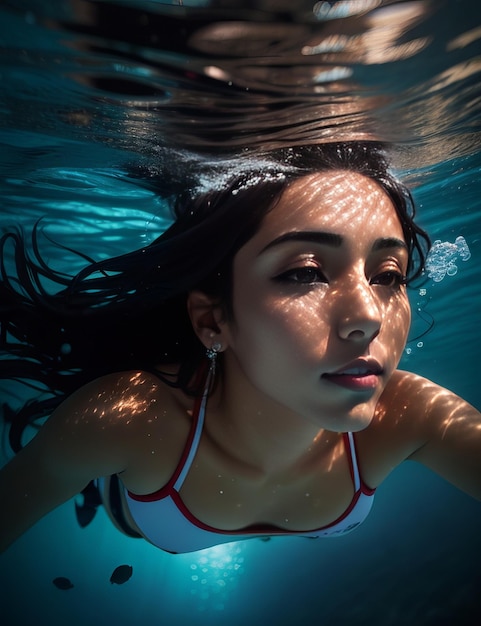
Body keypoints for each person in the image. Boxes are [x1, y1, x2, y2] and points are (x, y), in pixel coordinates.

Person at [0, 142, 479, 555]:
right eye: (306, 272)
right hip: (141, 509)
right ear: (213, 320)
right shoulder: (129, 418)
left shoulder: (411, 413)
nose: (369, 317)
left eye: (389, 275)